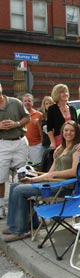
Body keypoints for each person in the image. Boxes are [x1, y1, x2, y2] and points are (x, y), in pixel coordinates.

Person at [2, 120, 80, 242]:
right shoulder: (60, 149)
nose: (68, 133)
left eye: (72, 131)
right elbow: (49, 174)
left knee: (19, 191)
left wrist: (55, 174)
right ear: (62, 132)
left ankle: (21, 230)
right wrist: (32, 179)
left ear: (76, 133)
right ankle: (22, 224)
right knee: (15, 186)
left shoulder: (77, 149)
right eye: (66, 130)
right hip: (52, 184)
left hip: (63, 187)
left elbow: (74, 171)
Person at [0, 82, 30, 219]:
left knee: (22, 175)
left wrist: (16, 124)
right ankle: (1, 206)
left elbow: (27, 117)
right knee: (0, 177)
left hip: (19, 141)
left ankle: (21, 204)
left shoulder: (15, 102)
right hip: (2, 143)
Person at [47, 84, 77, 149]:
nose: (65, 94)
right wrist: (52, 142)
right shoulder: (52, 109)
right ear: (57, 94)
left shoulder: (72, 109)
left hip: (73, 140)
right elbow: (49, 128)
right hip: (59, 140)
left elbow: (77, 126)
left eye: (66, 92)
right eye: (62, 92)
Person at [22, 93, 43, 165]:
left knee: (37, 166)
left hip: (36, 146)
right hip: (23, 146)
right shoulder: (19, 115)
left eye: (29, 101)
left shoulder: (39, 115)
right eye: (25, 101)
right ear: (22, 103)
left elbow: (43, 131)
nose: (27, 102)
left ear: (32, 103)